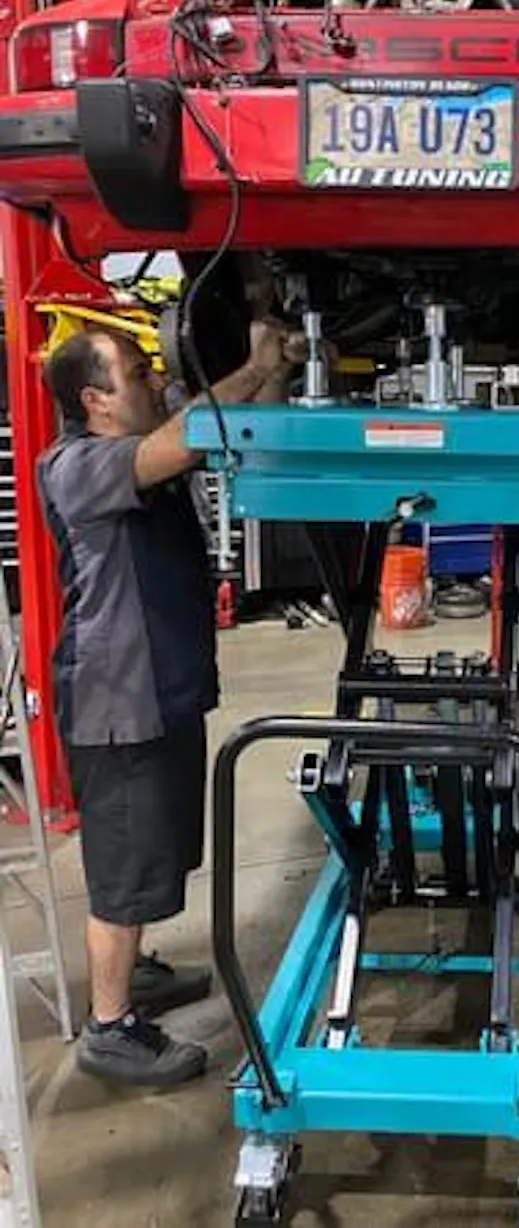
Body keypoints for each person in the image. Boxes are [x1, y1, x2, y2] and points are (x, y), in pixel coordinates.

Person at [37, 317, 295, 1087]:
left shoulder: (135, 446)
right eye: (136, 372)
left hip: (162, 690)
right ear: (95, 399)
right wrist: (255, 362)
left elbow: (224, 423)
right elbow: (189, 433)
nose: (155, 379)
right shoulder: (76, 465)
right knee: (124, 869)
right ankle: (110, 1027)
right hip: (118, 703)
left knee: (157, 848)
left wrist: (272, 367)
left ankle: (135, 970)